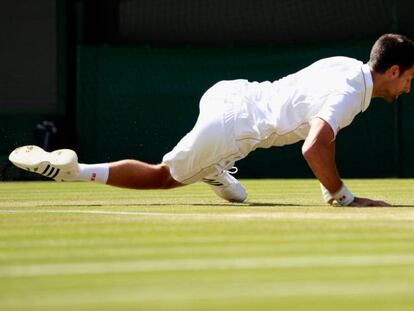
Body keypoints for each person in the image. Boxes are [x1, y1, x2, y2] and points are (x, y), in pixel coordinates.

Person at [9, 34, 414, 207]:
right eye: (410, 79)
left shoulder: (345, 68)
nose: (409, 89)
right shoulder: (349, 94)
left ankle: (214, 170)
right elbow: (314, 146)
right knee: (163, 176)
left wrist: (330, 187)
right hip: (234, 125)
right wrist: (342, 195)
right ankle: (72, 170)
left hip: (229, 92)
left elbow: (325, 133)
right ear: (393, 71)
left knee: (237, 196)